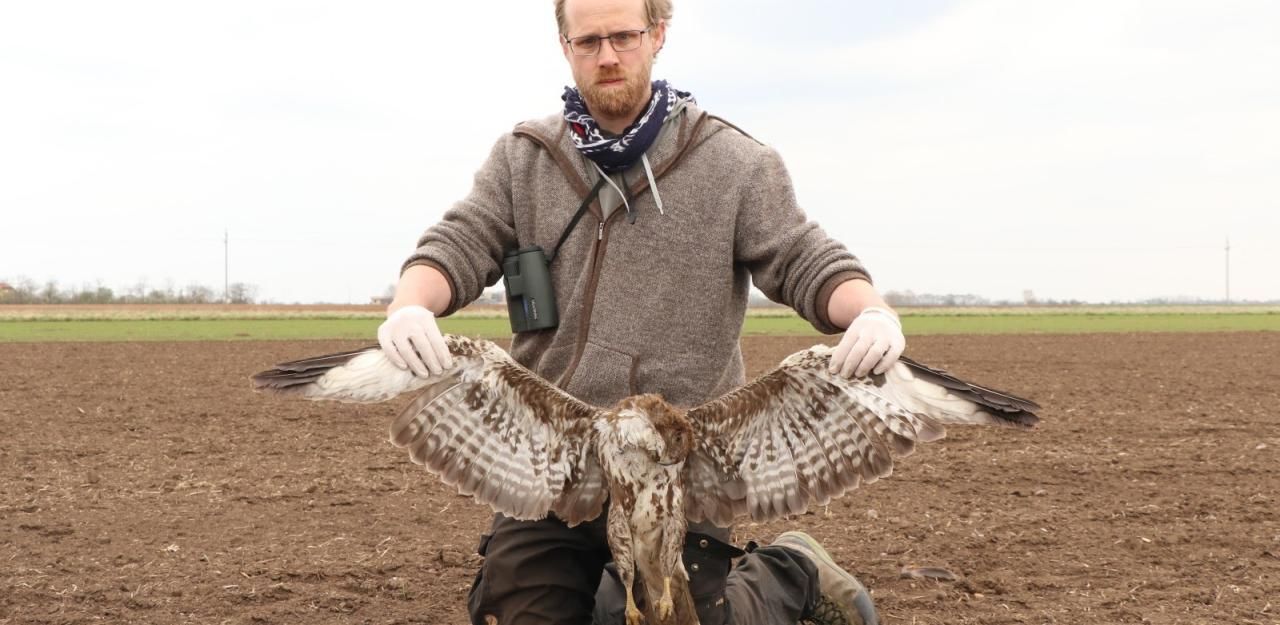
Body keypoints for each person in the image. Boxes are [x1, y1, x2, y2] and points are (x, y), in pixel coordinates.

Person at [377, 0, 905, 623]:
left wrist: (869, 311)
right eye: (588, 41)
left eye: (624, 36)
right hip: (559, 460)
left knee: (665, 614)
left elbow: (801, 258)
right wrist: (409, 306)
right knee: (516, 613)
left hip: (680, 466)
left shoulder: (734, 163)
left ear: (658, 34)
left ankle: (790, 574)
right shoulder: (525, 158)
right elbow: (460, 244)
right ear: (564, 45)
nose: (607, 56)